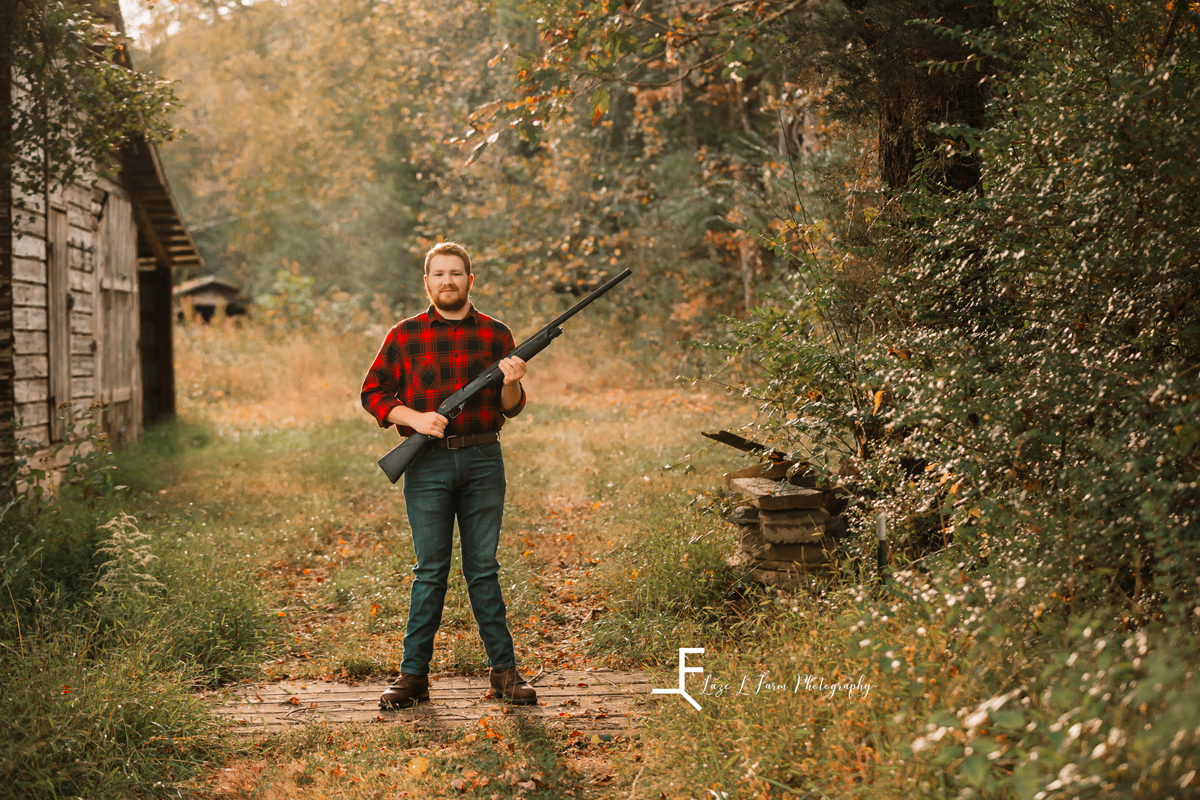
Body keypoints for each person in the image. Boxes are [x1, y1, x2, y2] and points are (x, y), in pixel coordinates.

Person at [360, 241, 537, 708]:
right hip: (427, 463)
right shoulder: (405, 335)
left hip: (483, 460)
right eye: (439, 274)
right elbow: (372, 393)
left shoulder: (497, 334)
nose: (448, 281)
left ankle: (505, 674)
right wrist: (415, 420)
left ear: (470, 280)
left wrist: (513, 380)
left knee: (484, 570)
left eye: (456, 273)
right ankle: (413, 677)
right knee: (430, 572)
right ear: (427, 282)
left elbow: (511, 408)